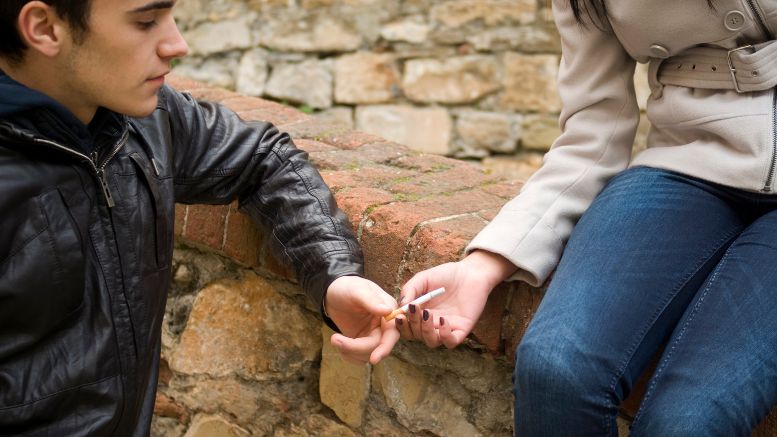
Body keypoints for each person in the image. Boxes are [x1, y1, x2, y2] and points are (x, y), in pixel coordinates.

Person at [0, 0, 399, 434]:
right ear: (44, 27)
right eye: (146, 21)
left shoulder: (140, 120)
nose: (178, 44)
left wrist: (335, 275)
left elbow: (263, 156)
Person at [397, 0, 777, 435]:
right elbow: (592, 132)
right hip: (686, 166)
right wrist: (482, 265)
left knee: (686, 422)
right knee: (554, 368)